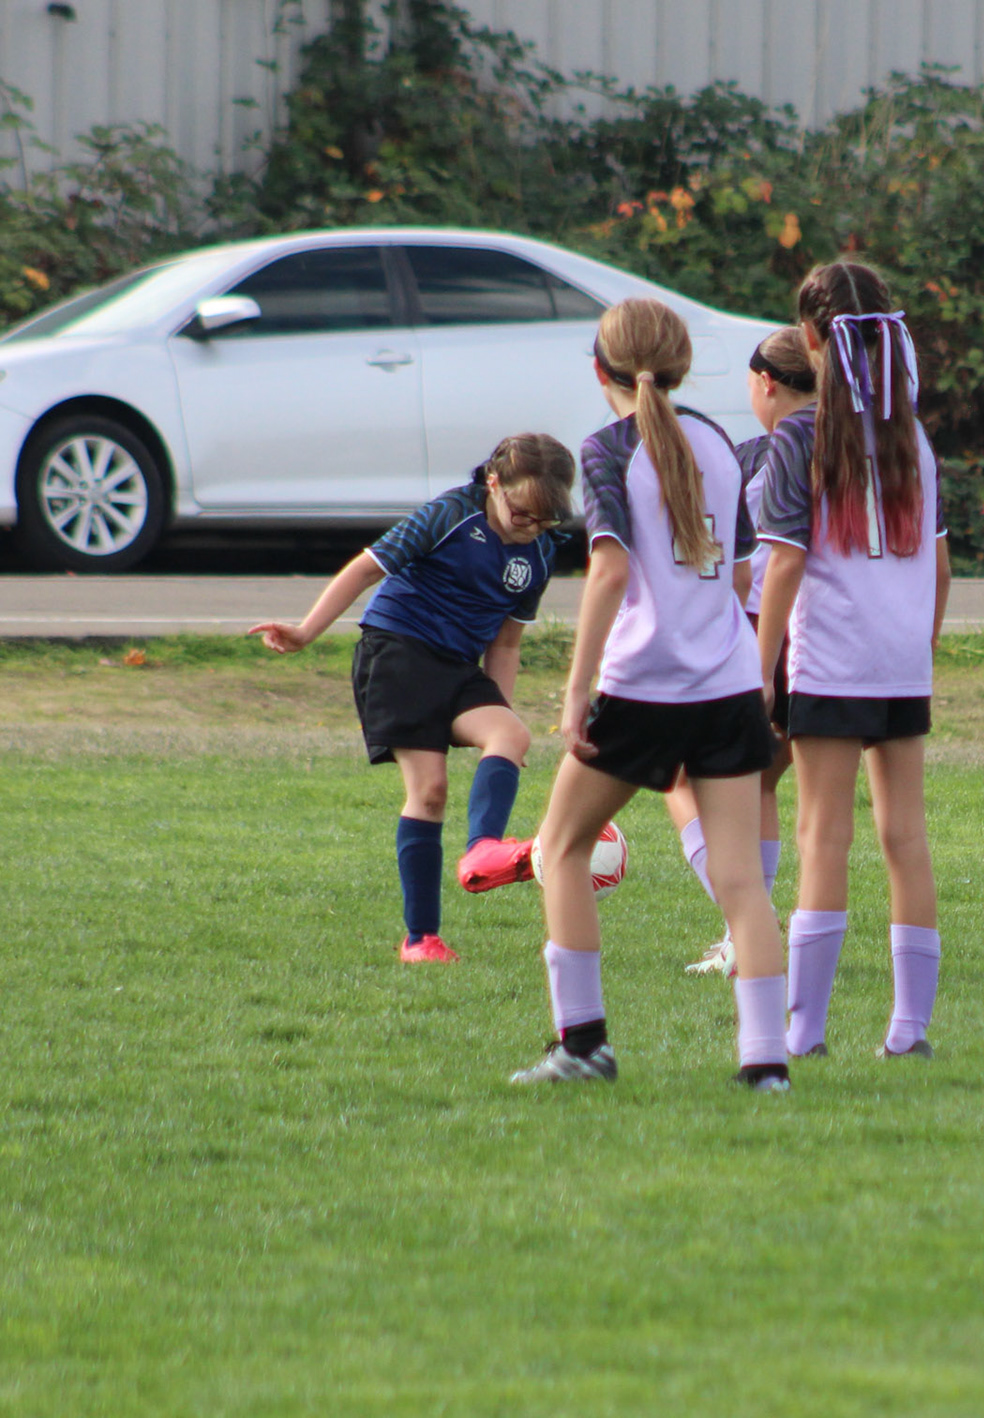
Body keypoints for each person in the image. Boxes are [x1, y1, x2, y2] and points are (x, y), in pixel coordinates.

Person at [460, 297, 789, 1091]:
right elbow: (740, 574)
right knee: (742, 881)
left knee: (560, 849)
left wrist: (577, 690)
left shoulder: (608, 448)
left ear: (599, 368)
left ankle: (583, 1046)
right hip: (726, 686)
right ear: (680, 366)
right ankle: (765, 1065)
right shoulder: (719, 443)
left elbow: (609, 572)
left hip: (643, 687)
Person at [248, 434, 574, 963]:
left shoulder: (539, 552)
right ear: (494, 483)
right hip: (398, 651)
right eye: (521, 513)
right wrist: (306, 632)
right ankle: (421, 939)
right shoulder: (450, 515)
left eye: (545, 519)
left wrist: (498, 705)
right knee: (430, 791)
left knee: (511, 734)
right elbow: (366, 568)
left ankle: (482, 851)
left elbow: (506, 642)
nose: (530, 527)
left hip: (458, 667)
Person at [754, 261, 952, 1062]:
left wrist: (759, 669)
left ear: (810, 338)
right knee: (906, 838)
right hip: (901, 662)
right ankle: (910, 1031)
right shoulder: (914, 437)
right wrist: (917, 646)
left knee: (822, 837)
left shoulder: (799, 436)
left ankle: (804, 1032)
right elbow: (941, 569)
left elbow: (784, 564)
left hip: (831, 660)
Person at [675, 326, 816, 977]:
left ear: (765, 383)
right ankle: (749, 935)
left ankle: (748, 929)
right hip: (818, 638)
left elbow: (740, 560)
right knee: (761, 782)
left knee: (681, 778)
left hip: (759, 634)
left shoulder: (766, 452)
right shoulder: (849, 443)